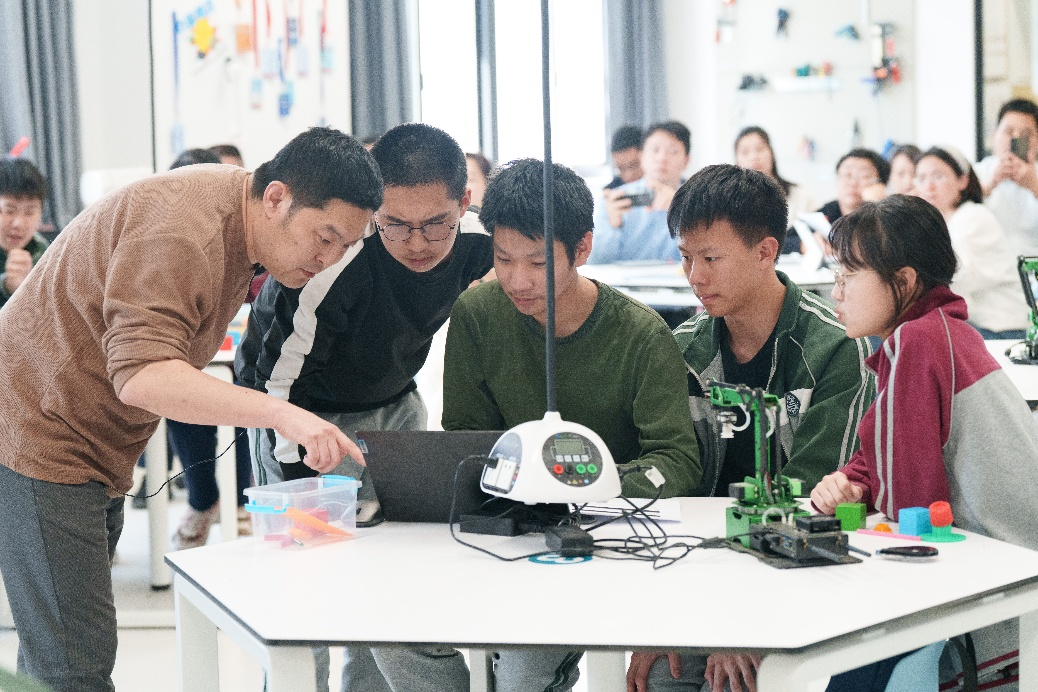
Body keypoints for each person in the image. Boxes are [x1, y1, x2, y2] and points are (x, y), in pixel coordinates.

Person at [0, 126, 381, 692]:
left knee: (61, 650)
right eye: (324, 238)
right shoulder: (184, 230)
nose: (327, 260)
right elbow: (143, 375)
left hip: (87, 438)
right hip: (40, 430)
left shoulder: (235, 216)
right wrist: (282, 415)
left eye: (344, 247)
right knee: (73, 666)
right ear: (276, 199)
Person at [363, 158, 701, 692]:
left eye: (538, 263)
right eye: (503, 259)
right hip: (505, 532)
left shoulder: (640, 334)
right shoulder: (477, 314)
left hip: (597, 540)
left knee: (522, 670)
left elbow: (676, 460)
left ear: (582, 249)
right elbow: (466, 440)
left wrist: (586, 488)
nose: (518, 280)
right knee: (390, 626)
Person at [237, 122, 492, 692]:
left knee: (392, 568)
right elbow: (277, 387)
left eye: (436, 224)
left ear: (464, 202)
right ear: (374, 212)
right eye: (395, 224)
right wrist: (301, 480)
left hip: (395, 402)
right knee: (306, 583)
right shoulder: (332, 265)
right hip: (298, 412)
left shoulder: (482, 245)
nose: (418, 243)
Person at [627, 164, 875, 692]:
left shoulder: (834, 349)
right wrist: (662, 611)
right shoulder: (683, 350)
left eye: (711, 258)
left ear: (765, 252)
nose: (694, 276)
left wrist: (744, 619)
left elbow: (814, 499)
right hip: (703, 577)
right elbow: (674, 493)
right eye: (686, 257)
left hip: (801, 580)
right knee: (659, 677)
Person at [811, 194, 1038, 692]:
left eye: (848, 277)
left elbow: (911, 511)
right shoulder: (946, 333)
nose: (836, 294)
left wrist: (856, 503)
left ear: (905, 281)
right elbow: (893, 450)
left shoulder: (915, 344)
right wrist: (851, 481)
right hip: (1013, 585)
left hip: (995, 612)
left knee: (846, 646)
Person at [155, 148, 256, 550]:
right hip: (183, 360)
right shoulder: (160, 243)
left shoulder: (248, 238)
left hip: (241, 357)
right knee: (181, 401)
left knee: (248, 393)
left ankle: (242, 501)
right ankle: (203, 499)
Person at [912, 145, 1029, 339]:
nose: (928, 186)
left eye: (938, 177)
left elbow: (952, 280)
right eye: (921, 178)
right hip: (978, 325)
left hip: (1002, 331)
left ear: (963, 180)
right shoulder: (943, 222)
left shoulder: (973, 217)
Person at [590, 120, 691, 263]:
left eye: (672, 151)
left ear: (686, 161)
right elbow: (596, 262)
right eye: (655, 150)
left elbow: (704, 257)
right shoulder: (614, 199)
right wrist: (613, 225)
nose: (662, 158)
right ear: (642, 156)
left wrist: (683, 211)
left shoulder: (698, 202)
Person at [974, 97, 1038, 256]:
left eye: (1026, 134)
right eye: (1009, 132)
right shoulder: (976, 173)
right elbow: (957, 214)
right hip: (988, 263)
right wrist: (991, 184)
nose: (1015, 138)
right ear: (994, 135)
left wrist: (1034, 186)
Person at [733, 125, 814, 229]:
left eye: (759, 149)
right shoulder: (731, 203)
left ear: (771, 152)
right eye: (745, 152)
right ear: (736, 161)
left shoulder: (800, 195)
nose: (754, 157)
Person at [0, 158, 49, 309]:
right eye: (9, 211)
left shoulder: (44, 253)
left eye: (29, 212)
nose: (18, 223)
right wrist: (6, 286)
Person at [818, 148, 890, 224]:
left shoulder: (891, 220)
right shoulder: (821, 217)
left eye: (864, 176)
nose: (853, 183)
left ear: (881, 185)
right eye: (847, 175)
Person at [605, 124, 645, 190]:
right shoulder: (611, 191)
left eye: (634, 165)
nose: (628, 175)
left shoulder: (661, 185)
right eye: (621, 169)